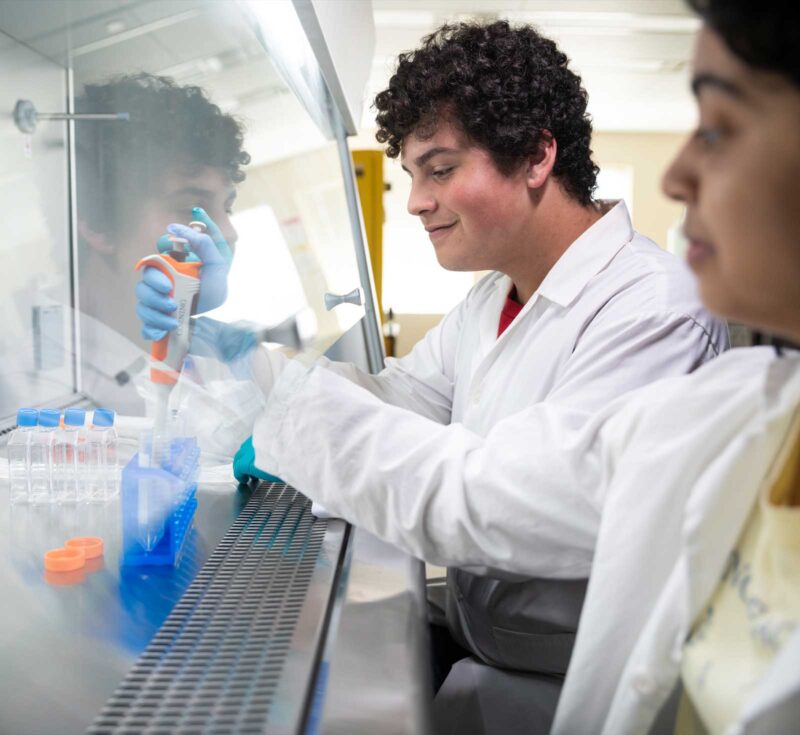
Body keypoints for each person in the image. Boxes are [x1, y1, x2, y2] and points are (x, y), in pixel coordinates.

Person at [137, 21, 728, 732]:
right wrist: (228, 343)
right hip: (495, 657)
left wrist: (293, 418)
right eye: (412, 174)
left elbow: (503, 502)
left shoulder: (654, 310)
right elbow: (394, 400)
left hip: (578, 694)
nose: (416, 200)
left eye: (439, 168)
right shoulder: (492, 297)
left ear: (538, 155)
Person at [76, 73, 246, 414]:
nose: (227, 232)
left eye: (226, 207)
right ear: (100, 226)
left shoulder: (212, 348)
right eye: (189, 209)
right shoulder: (36, 385)